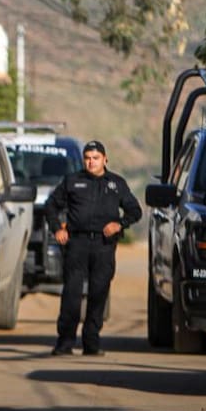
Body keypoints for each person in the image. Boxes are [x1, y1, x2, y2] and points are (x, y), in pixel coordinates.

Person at [45, 139, 142, 356]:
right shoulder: (72, 181)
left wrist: (120, 224)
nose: (91, 162)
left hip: (104, 245)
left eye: (95, 158)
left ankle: (91, 343)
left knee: (99, 293)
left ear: (105, 159)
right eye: (87, 158)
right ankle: (65, 342)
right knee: (72, 293)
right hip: (77, 244)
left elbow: (135, 211)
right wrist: (57, 229)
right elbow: (51, 205)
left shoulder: (116, 183)